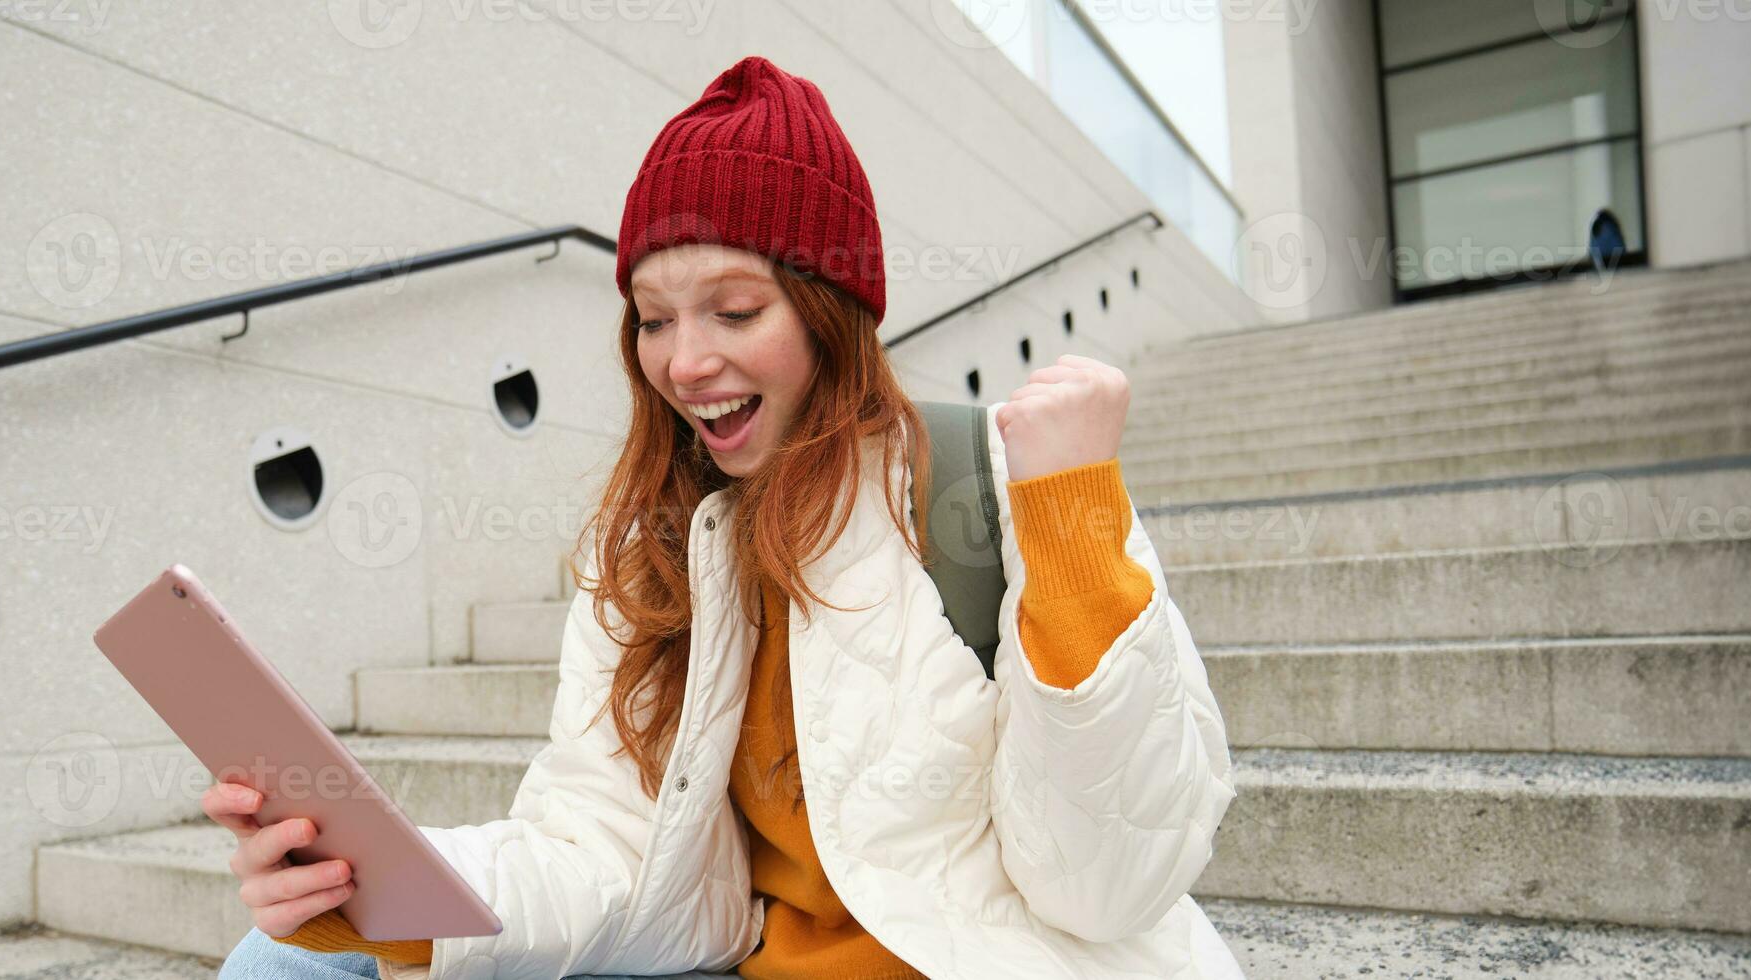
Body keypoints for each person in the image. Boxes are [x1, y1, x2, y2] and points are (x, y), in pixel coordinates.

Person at [212, 54, 1240, 980]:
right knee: (283, 957)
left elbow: (1104, 884)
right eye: (653, 319)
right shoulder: (656, 545)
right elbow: (599, 847)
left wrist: (1070, 514)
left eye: (734, 311)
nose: (684, 361)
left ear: (829, 312)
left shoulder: (1000, 487)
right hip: (731, 957)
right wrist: (388, 891)